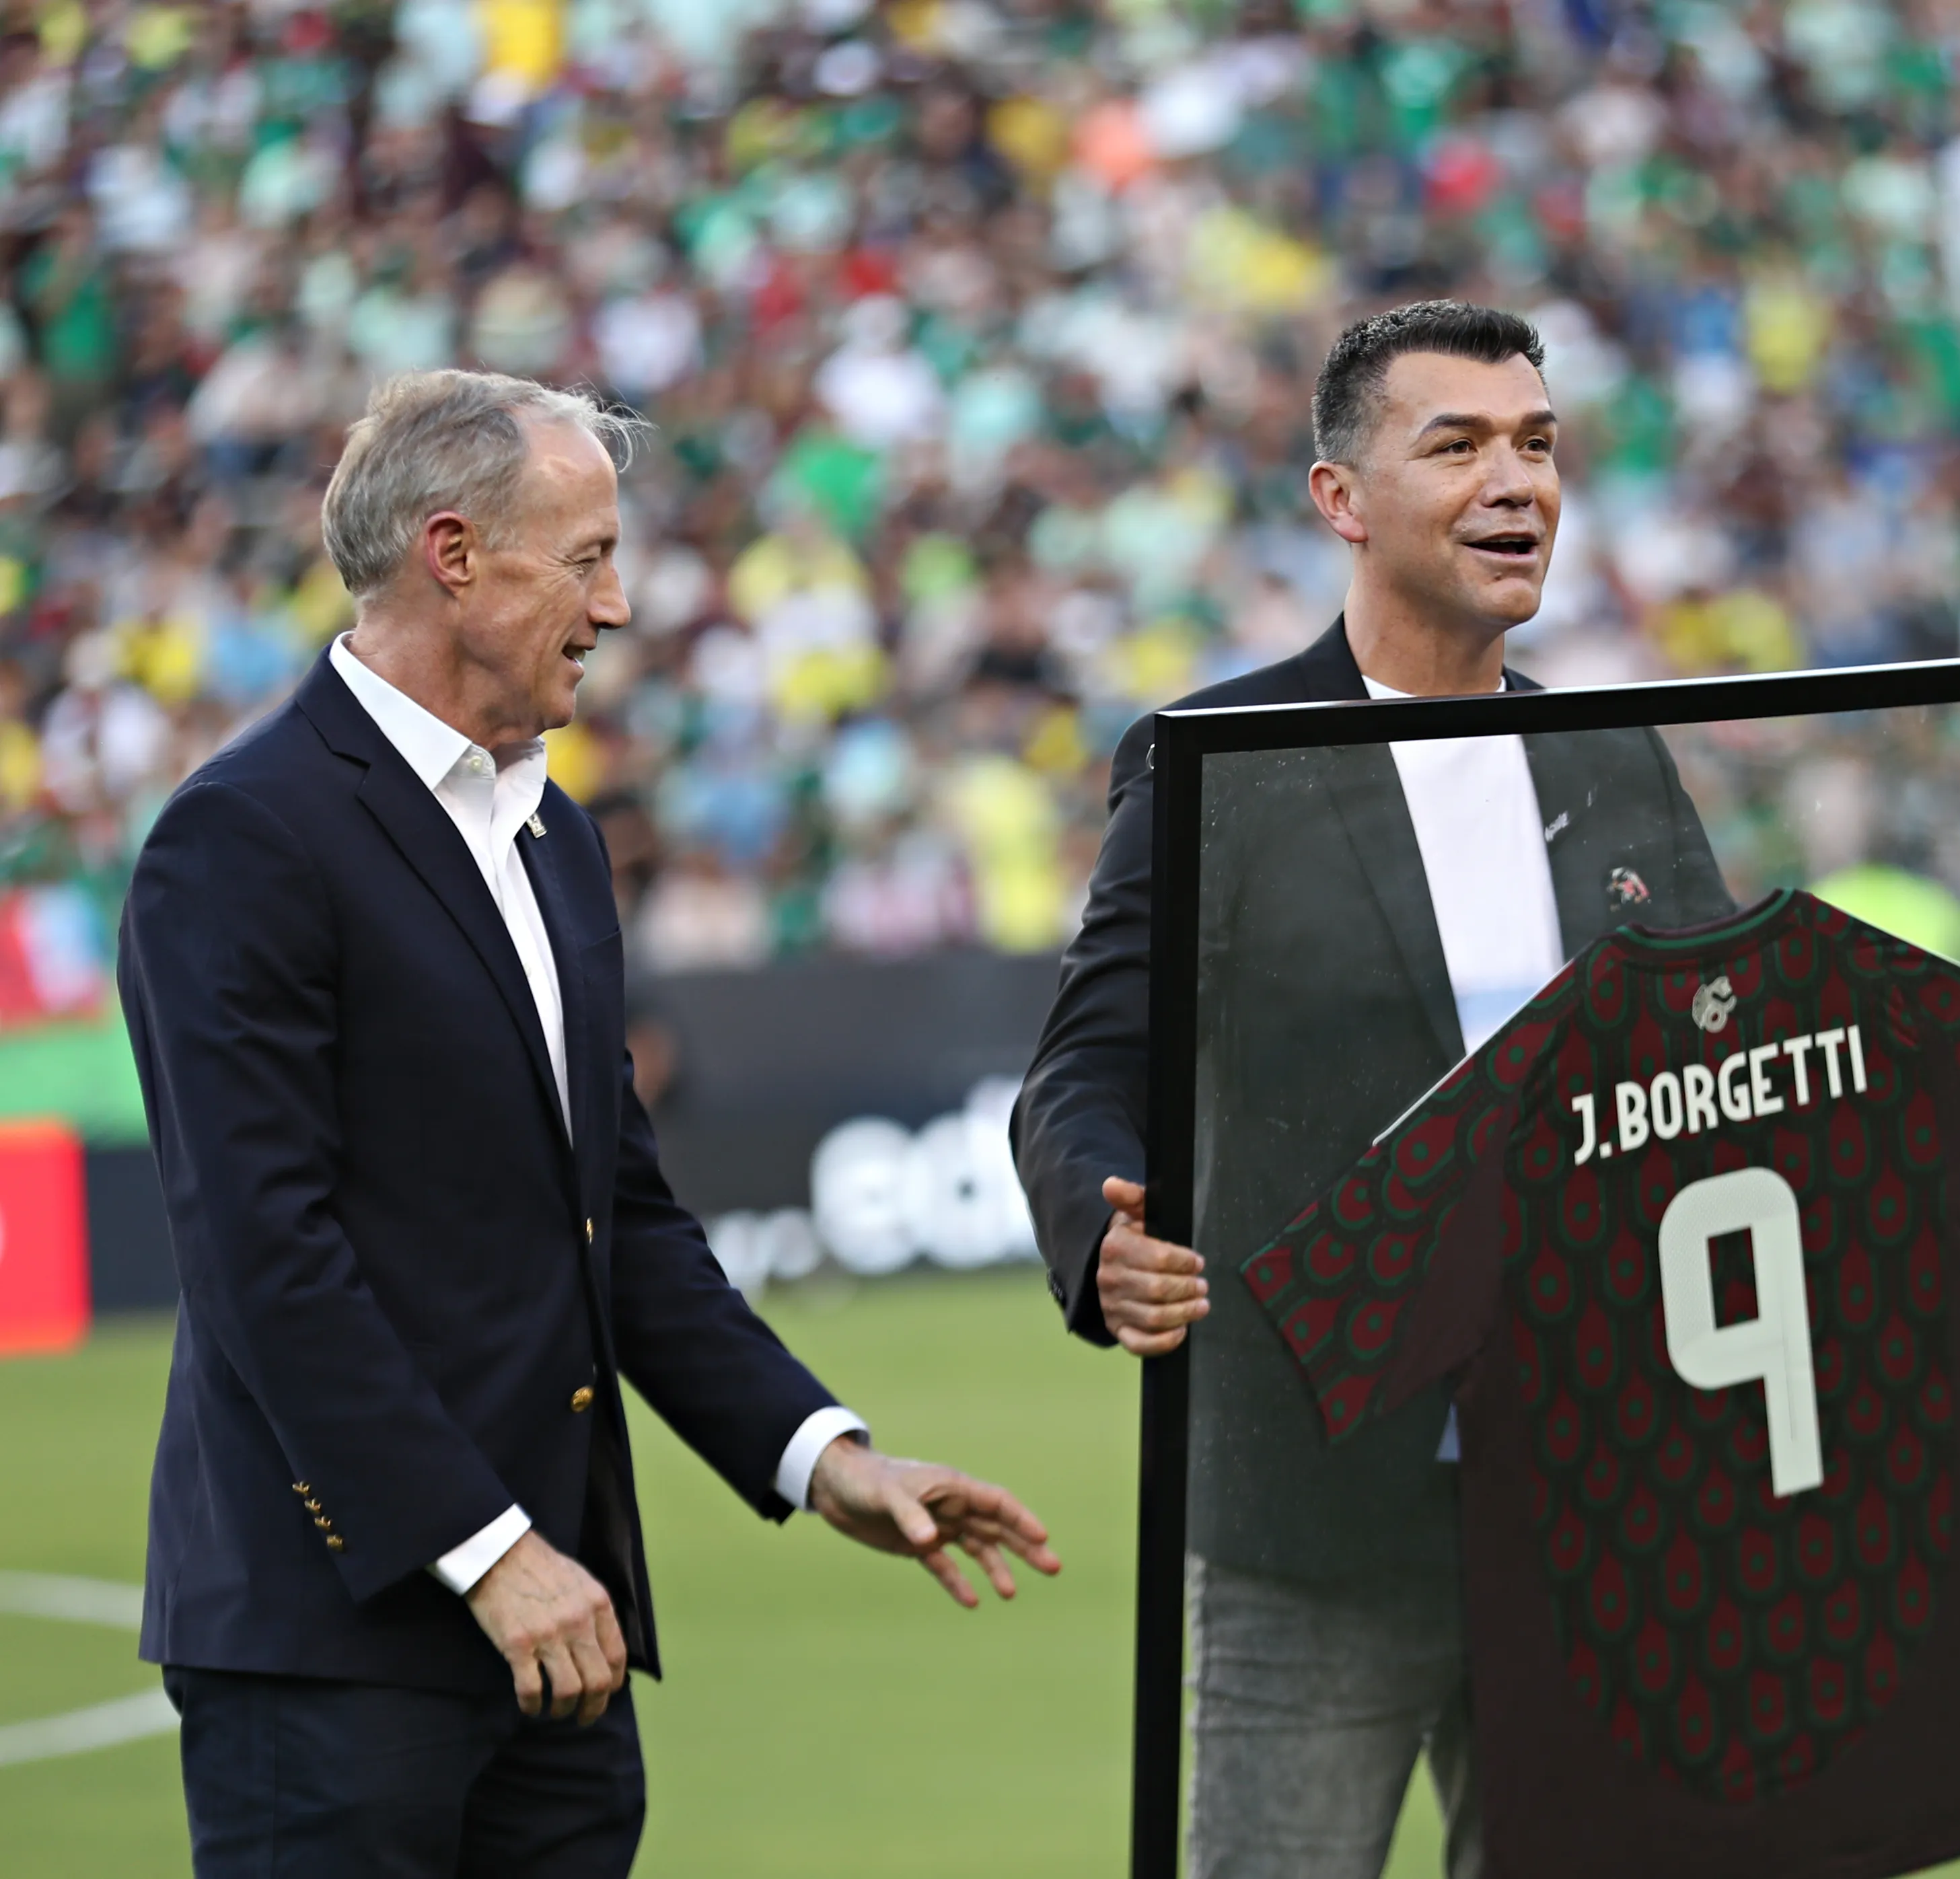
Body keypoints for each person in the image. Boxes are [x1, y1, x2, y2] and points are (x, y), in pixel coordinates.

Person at [118, 369, 1060, 1878]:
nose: (617, 606)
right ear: (454, 553)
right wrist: (486, 1551)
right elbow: (261, 1257)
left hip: (565, 1646)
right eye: (588, 558)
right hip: (338, 1645)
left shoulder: (553, 835)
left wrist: (824, 1457)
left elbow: (615, 1216)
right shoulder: (246, 836)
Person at [1013, 301, 1736, 1878]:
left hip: (1591, 1506)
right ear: (1342, 499)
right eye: (1459, 444)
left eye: (1538, 444)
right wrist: (1100, 1226)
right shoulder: (1217, 760)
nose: (1517, 482)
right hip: (1314, 1515)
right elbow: (1081, 1073)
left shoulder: (1611, 752)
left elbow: (1715, 1073)